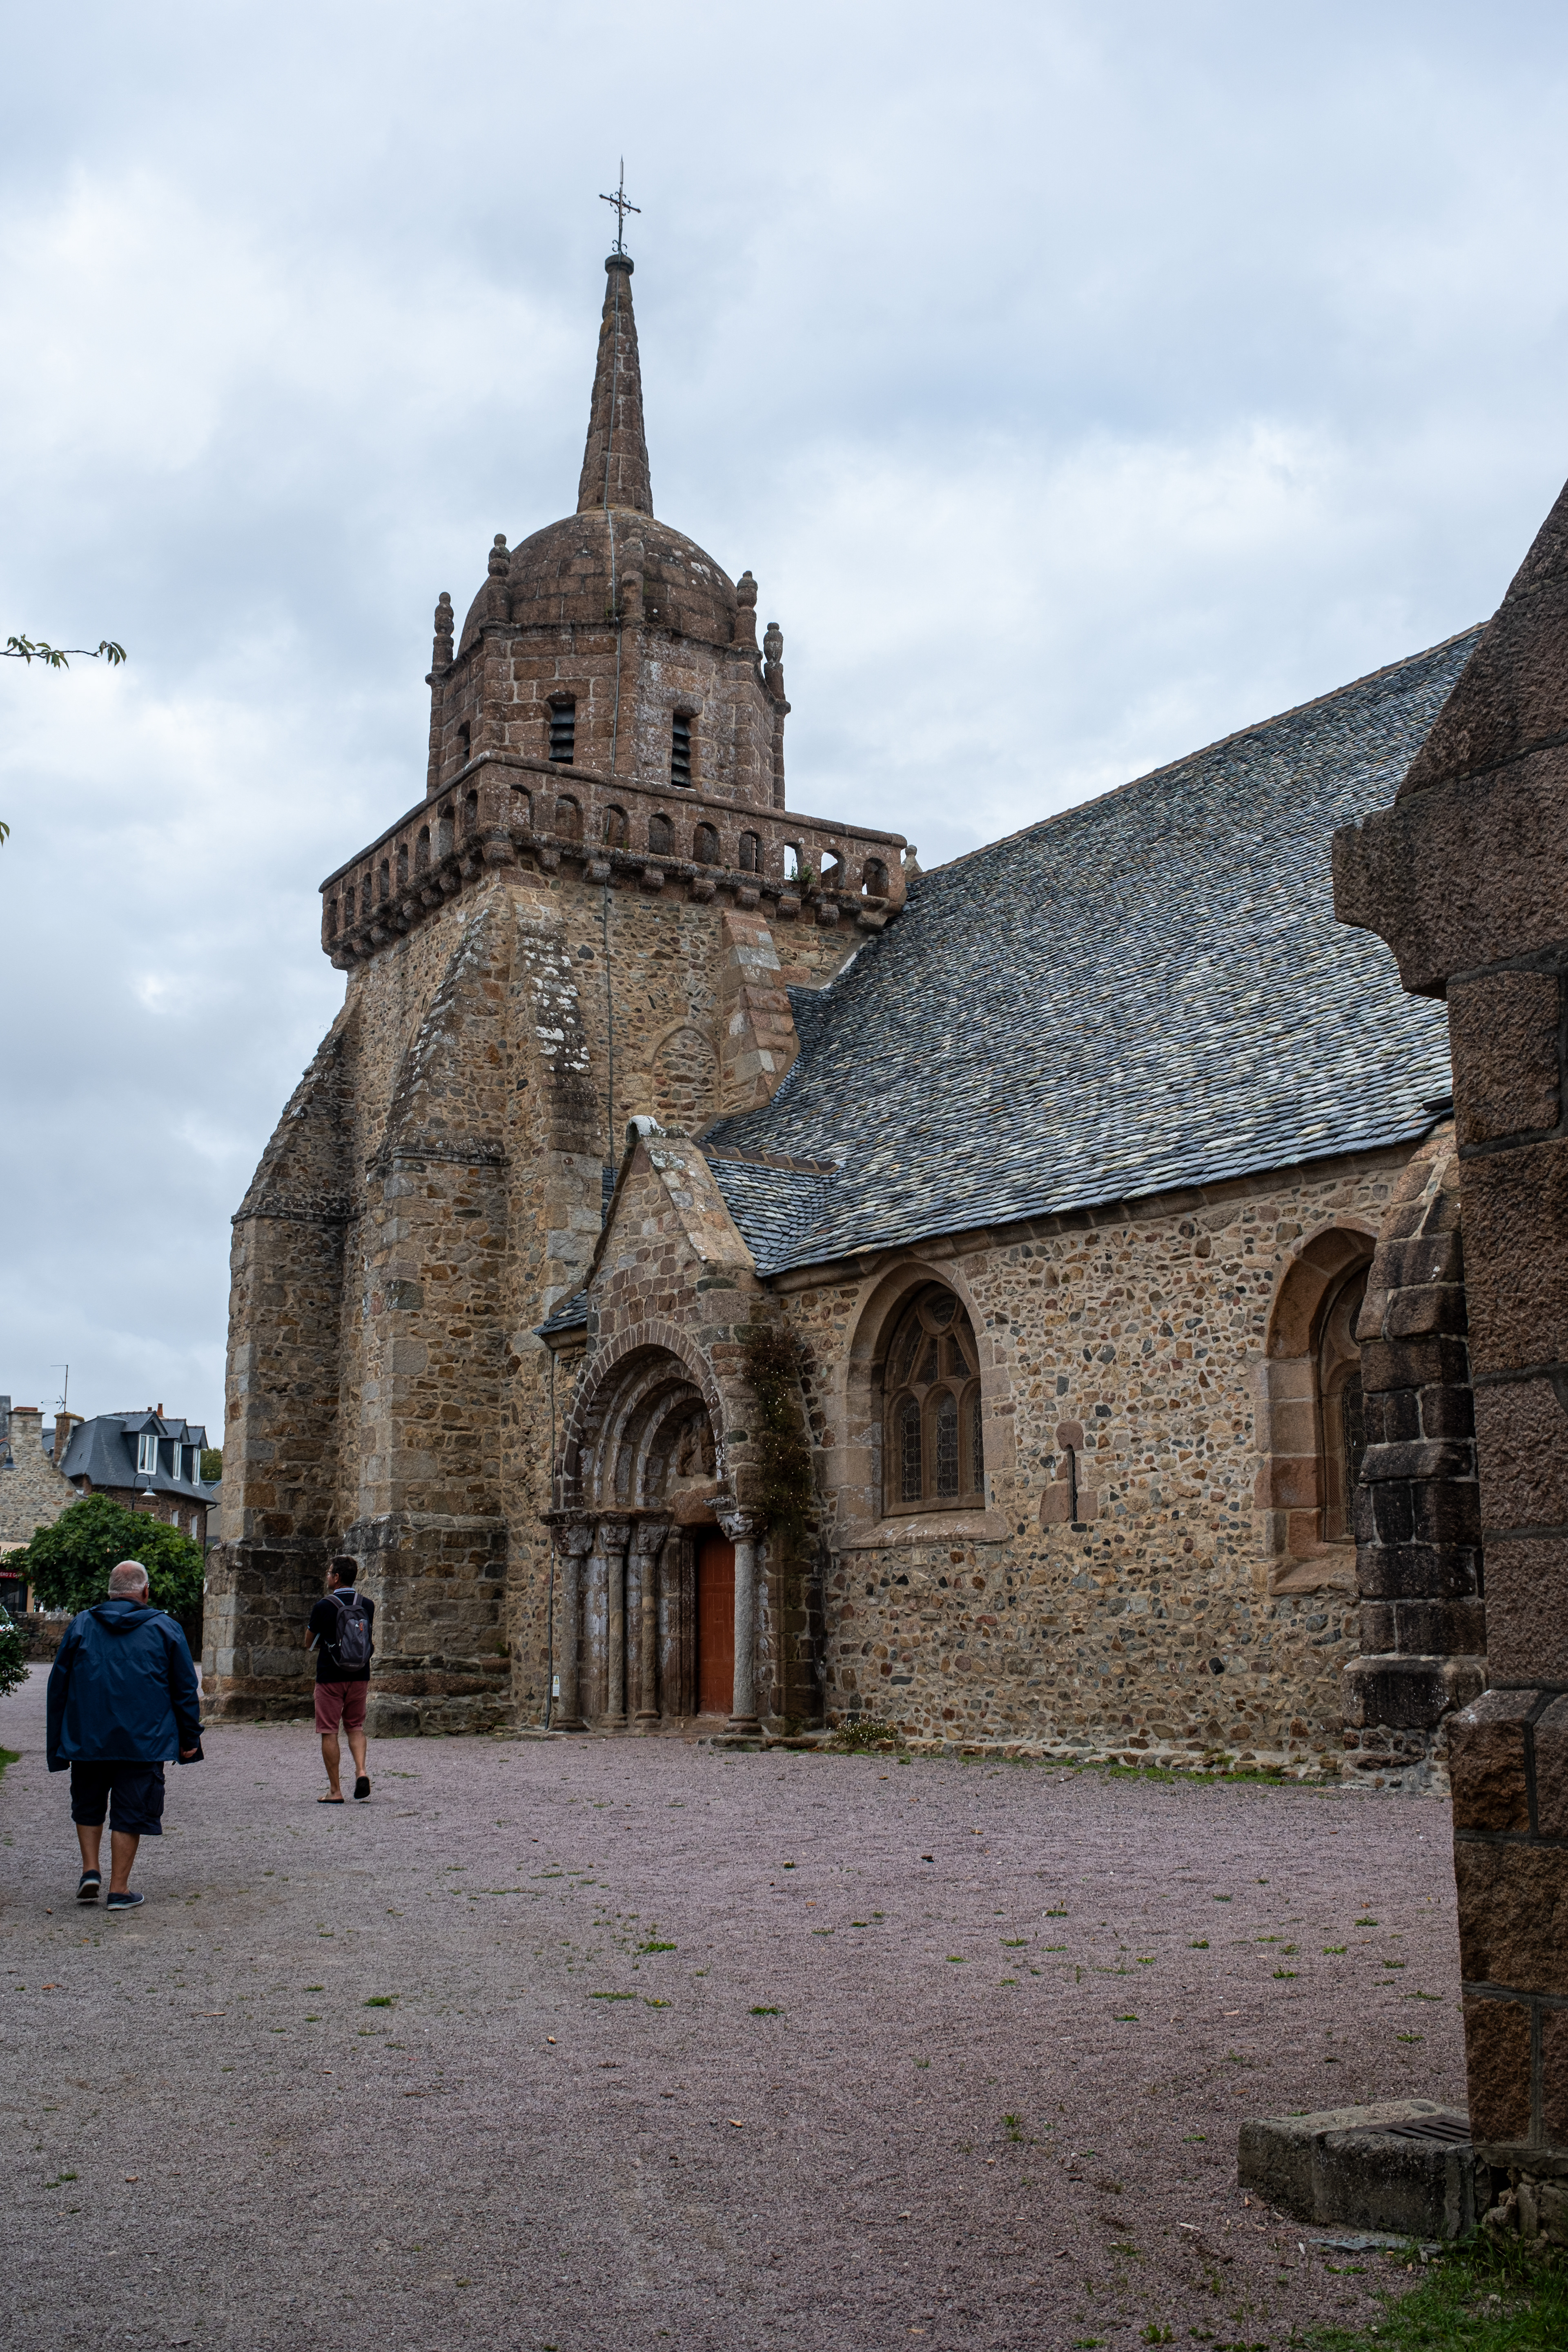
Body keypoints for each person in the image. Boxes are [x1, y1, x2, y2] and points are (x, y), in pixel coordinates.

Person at [45, 1559, 202, 1912]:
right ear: (146, 1591)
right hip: (143, 1739)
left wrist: (57, 1740)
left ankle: (90, 1870)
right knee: (131, 1811)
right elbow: (184, 1689)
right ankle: (119, 1889)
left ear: (110, 1592)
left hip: (88, 1736)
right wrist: (190, 1737)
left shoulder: (82, 1624)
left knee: (88, 1805)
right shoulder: (166, 1628)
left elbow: (58, 1686)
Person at [308, 1557, 374, 1804]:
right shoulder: (367, 1604)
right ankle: (361, 1771)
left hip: (330, 1676)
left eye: (328, 1573)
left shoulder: (324, 1606)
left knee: (329, 1731)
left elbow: (309, 1642)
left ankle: (335, 1791)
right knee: (355, 1727)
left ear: (336, 1578)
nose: (327, 1577)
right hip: (360, 1674)